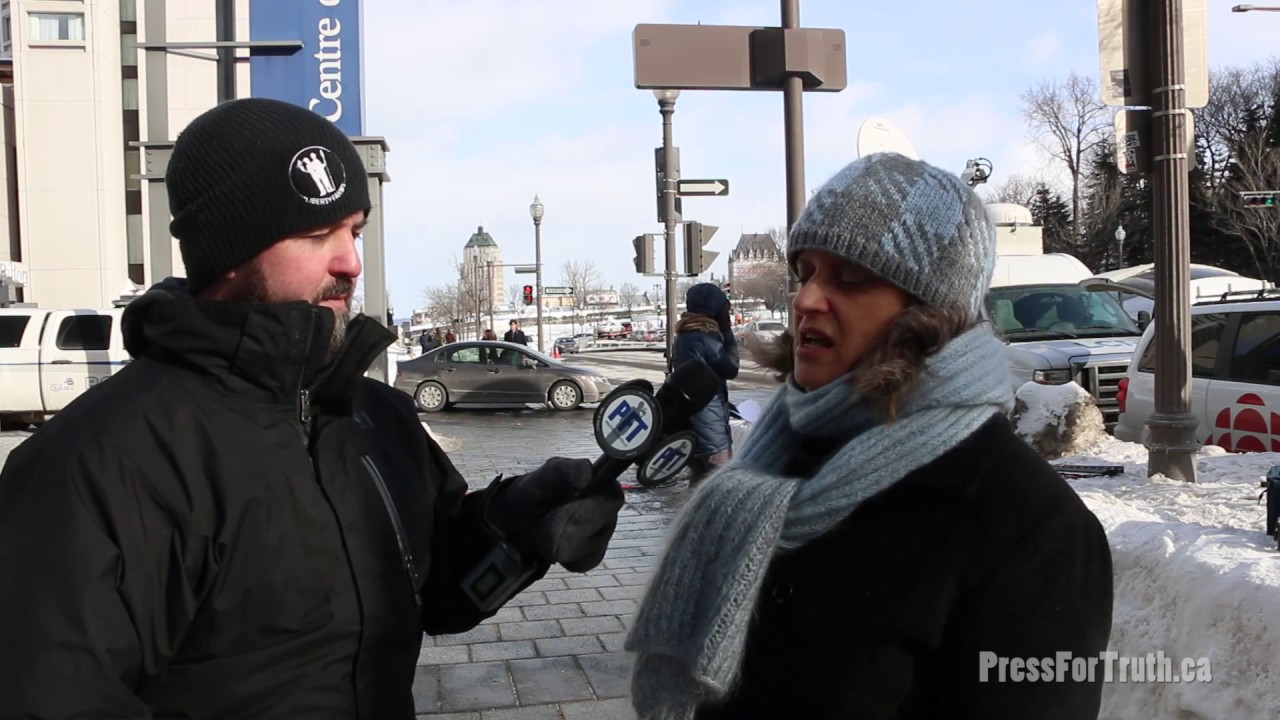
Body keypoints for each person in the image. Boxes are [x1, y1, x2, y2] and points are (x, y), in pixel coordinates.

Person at [0, 98, 625, 719]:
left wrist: (516, 527)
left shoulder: (379, 418)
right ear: (229, 251)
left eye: (354, 231)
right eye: (314, 233)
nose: (350, 261)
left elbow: (431, 593)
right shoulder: (93, 467)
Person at [626, 152, 1114, 719]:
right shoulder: (777, 456)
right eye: (806, 272)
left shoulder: (1030, 526)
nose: (806, 299)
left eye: (850, 277)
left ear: (932, 313)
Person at [670, 282, 740, 480]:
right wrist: (727, 332)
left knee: (700, 482)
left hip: (695, 422)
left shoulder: (685, 335)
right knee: (719, 482)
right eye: (723, 309)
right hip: (710, 427)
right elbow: (731, 368)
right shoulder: (704, 337)